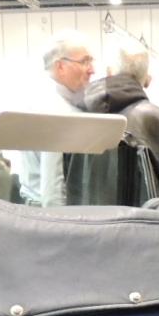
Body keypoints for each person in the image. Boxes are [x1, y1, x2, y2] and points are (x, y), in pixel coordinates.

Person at [82, 41, 159, 199]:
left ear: (110, 72)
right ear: (147, 80)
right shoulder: (157, 121)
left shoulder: (79, 115)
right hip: (139, 215)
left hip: (86, 214)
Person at [19, 31, 95, 207]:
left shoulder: (41, 99)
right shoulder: (57, 111)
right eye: (85, 61)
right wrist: (58, 221)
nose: (92, 70)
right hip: (50, 214)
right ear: (60, 67)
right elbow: (53, 191)